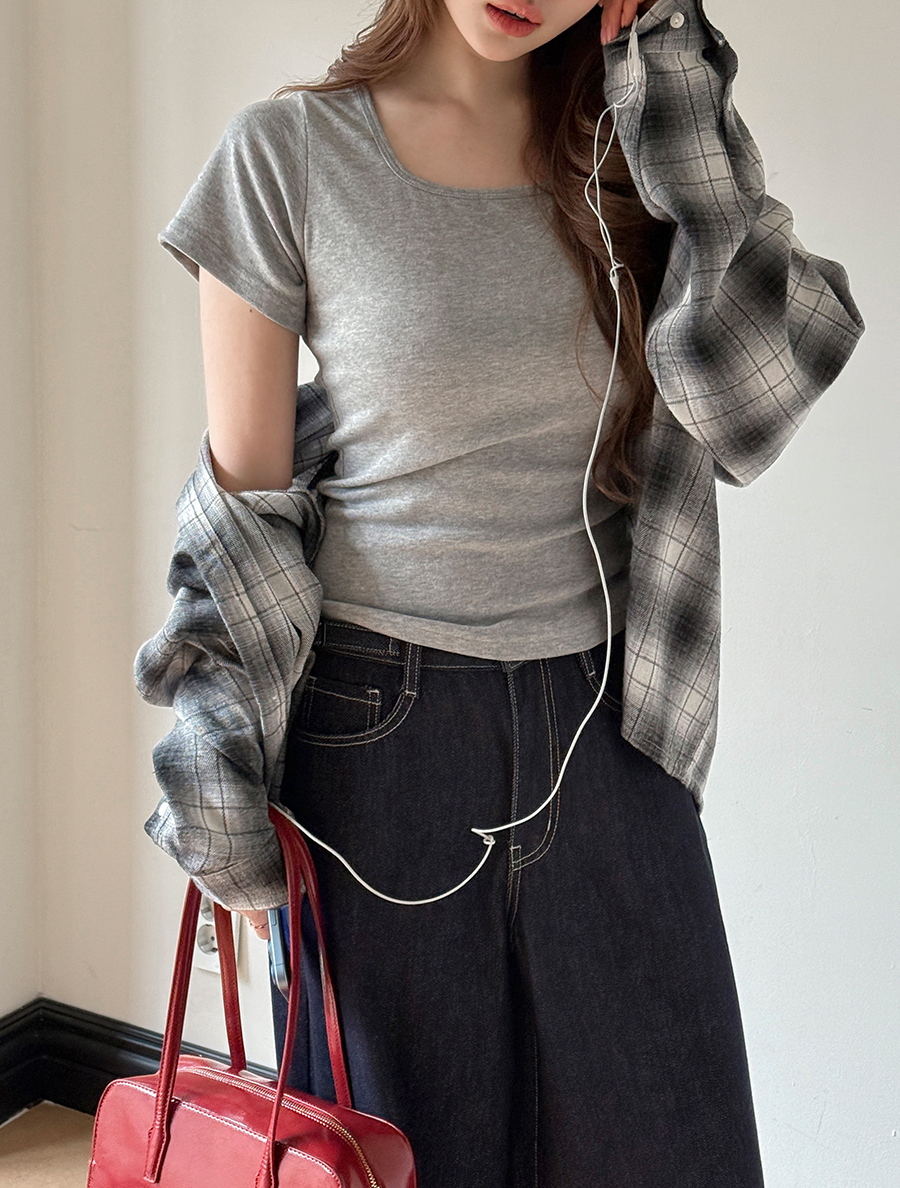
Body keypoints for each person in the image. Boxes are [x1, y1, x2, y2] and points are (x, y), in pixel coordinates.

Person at [136, 0, 865, 1184]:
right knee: (409, 1159)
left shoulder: (627, 146)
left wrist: (670, 75)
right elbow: (240, 529)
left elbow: (752, 400)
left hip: (610, 727)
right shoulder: (288, 156)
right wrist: (222, 793)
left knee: (679, 1150)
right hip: (375, 746)